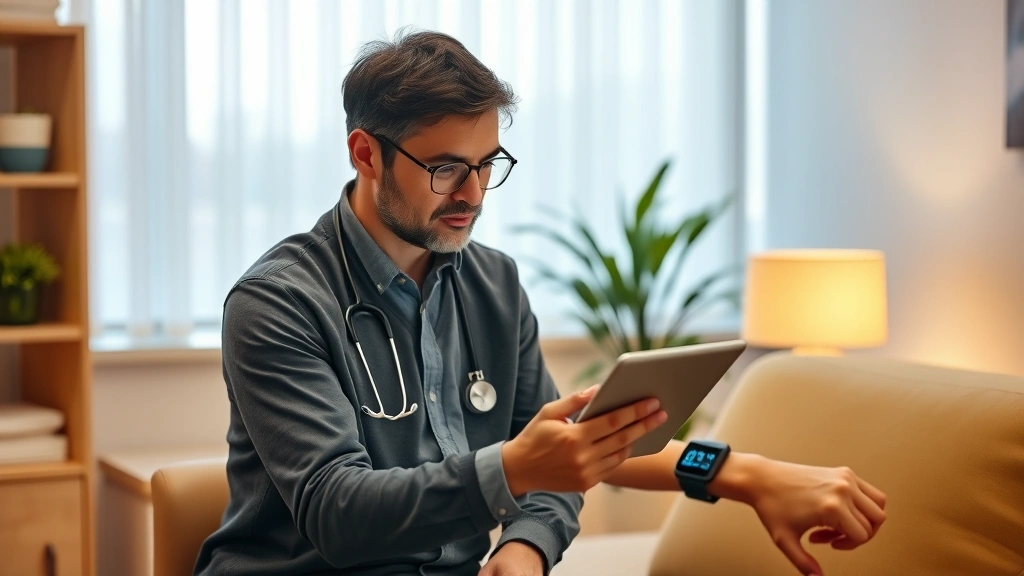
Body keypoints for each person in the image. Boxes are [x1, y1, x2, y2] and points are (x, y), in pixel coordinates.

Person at [194, 30, 886, 576]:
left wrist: (527, 544)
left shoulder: (493, 284)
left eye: (487, 164)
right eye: (445, 168)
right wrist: (518, 467)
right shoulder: (278, 303)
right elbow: (337, 514)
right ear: (366, 154)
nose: (472, 194)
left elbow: (566, 460)